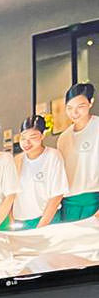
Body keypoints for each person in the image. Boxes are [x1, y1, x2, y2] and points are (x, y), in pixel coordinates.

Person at [12, 115, 68, 228]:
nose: (27, 143)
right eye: (23, 138)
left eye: (33, 137)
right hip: (21, 222)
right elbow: (10, 195)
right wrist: (12, 221)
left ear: (42, 135)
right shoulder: (17, 161)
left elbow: (57, 196)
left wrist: (40, 227)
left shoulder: (53, 156)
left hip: (47, 220)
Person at [57, 82, 99, 222]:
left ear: (90, 102)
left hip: (93, 198)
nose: (74, 113)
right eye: (69, 108)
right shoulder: (63, 138)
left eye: (80, 107)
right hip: (68, 202)